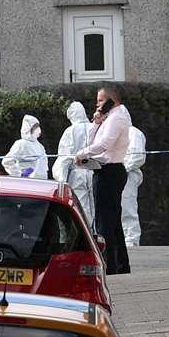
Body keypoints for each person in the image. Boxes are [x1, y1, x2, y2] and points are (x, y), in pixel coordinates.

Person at [76, 83, 132, 275]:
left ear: (111, 101)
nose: (97, 105)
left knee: (104, 223)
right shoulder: (108, 118)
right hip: (104, 170)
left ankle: (110, 266)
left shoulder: (117, 118)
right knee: (112, 222)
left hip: (110, 171)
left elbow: (104, 143)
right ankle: (120, 265)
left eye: (100, 100)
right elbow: (92, 140)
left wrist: (82, 154)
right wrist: (96, 122)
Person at [52, 101, 96, 229]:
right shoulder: (94, 127)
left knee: (81, 207)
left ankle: (85, 237)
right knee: (96, 207)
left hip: (77, 173)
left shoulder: (70, 131)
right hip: (94, 171)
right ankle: (98, 237)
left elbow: (64, 158)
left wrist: (62, 181)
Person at [122, 124, 147, 247]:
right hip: (116, 173)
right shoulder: (112, 130)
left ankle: (131, 238)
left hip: (128, 175)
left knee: (127, 206)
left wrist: (124, 168)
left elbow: (137, 156)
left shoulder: (133, 132)